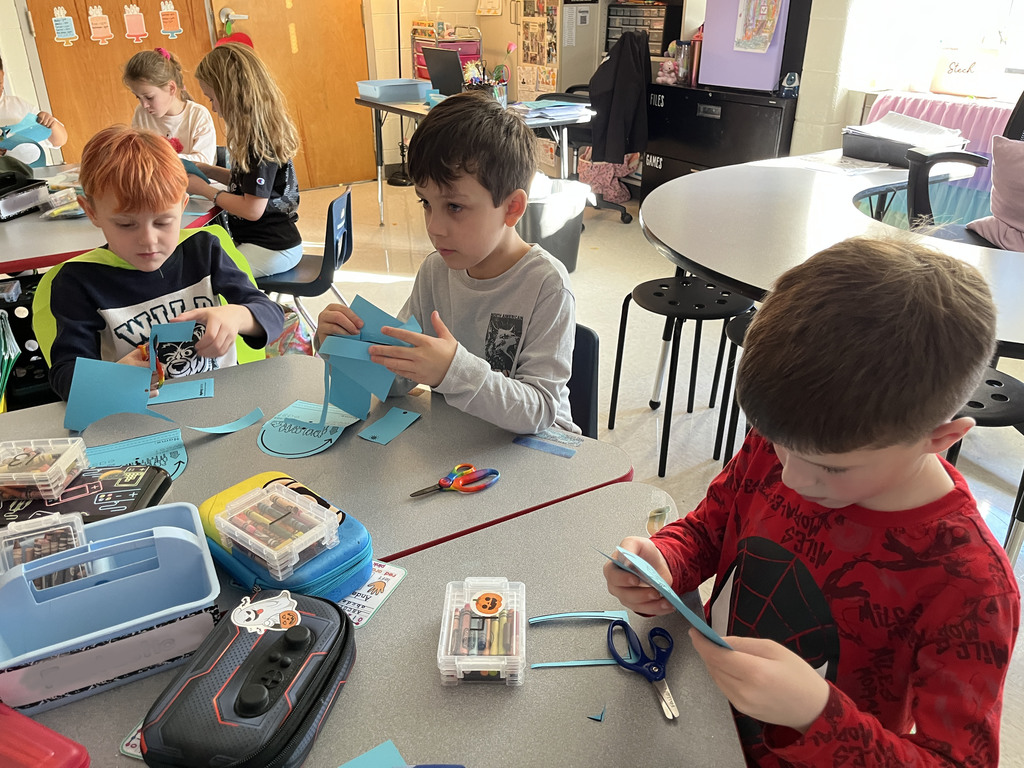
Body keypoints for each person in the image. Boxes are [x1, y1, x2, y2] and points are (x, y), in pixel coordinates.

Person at [603, 237, 1020, 766]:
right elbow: (714, 526)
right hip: (699, 727)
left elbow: (958, 761)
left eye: (832, 466)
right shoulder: (793, 439)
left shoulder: (970, 583)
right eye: (778, 444)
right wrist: (666, 560)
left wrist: (815, 714)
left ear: (940, 437)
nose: (793, 476)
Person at [315, 91, 577, 435]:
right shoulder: (435, 271)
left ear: (512, 208)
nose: (434, 228)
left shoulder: (546, 284)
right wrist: (341, 347)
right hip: (457, 447)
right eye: (426, 203)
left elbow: (541, 412)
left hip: (537, 456)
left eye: (454, 206)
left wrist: (452, 370)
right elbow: (398, 381)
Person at [33, 125, 283, 401]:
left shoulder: (203, 251)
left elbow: (272, 316)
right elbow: (64, 375)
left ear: (182, 205)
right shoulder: (77, 282)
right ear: (91, 212)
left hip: (221, 404)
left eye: (163, 222)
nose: (148, 240)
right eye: (126, 224)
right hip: (137, 419)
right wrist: (111, 377)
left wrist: (238, 316)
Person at [185, 43, 301, 278]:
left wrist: (206, 190)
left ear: (231, 95)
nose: (214, 107)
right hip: (272, 243)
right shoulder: (256, 135)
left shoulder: (258, 144)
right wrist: (208, 170)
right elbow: (249, 186)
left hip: (272, 248)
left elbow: (252, 209)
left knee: (207, 278)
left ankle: (252, 313)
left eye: (212, 99)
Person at [123, 47, 216, 165]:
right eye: (138, 97)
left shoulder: (198, 115)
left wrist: (158, 159)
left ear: (171, 88)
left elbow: (204, 162)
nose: (144, 105)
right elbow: (137, 155)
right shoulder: (141, 113)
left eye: (149, 97)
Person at [0, 54, 67, 149]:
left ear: (3, 75)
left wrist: (50, 123)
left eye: (0, 83)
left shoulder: (15, 104)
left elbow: (60, 140)